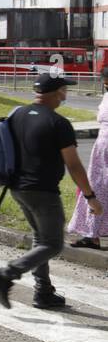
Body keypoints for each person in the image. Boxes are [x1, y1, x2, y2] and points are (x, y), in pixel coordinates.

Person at [0, 73, 101, 308]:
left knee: (41, 239)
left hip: (17, 188)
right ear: (57, 93)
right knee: (53, 244)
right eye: (64, 90)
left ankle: (43, 292)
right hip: (43, 192)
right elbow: (74, 165)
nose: (65, 94)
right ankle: (5, 275)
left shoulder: (18, 115)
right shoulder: (59, 123)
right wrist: (90, 197)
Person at [68, 68, 108, 249]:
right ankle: (92, 234)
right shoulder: (106, 96)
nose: (105, 84)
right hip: (102, 148)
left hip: (104, 148)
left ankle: (93, 235)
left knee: (98, 188)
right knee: (97, 187)